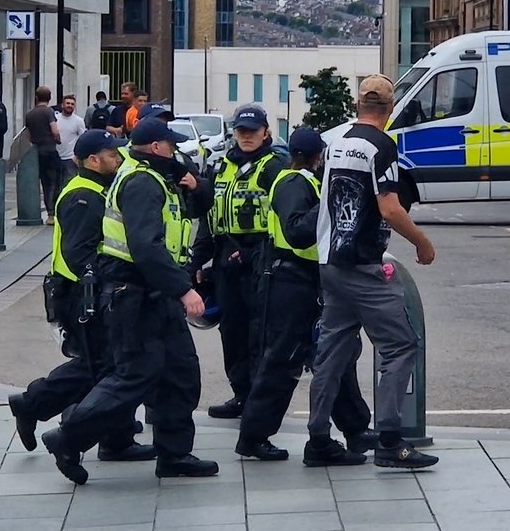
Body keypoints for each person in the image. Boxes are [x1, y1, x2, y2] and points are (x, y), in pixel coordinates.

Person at [41, 118, 218, 485]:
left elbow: (188, 216)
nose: (175, 151)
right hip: (135, 295)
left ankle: (174, 454)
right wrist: (183, 290)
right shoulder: (142, 182)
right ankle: (68, 437)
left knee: (179, 374)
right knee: (132, 377)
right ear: (156, 148)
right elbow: (145, 246)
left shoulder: (152, 177)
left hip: (154, 294)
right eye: (171, 145)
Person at [308, 75, 438, 469]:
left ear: (357, 104)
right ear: (391, 107)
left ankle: (318, 439)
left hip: (329, 260)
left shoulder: (336, 143)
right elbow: (390, 208)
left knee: (332, 350)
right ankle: (390, 441)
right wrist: (422, 242)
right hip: (363, 265)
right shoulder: (381, 146)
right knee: (400, 345)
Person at [9, 130, 154, 463]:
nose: (118, 160)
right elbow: (78, 254)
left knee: (106, 365)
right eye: (112, 155)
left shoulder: (98, 188)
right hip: (81, 294)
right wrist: (108, 280)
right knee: (105, 366)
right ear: (93, 160)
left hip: (87, 291)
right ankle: (36, 404)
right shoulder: (83, 196)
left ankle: (114, 436)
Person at [235, 128, 376, 463]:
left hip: (307, 280)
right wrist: (330, 202)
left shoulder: (303, 181)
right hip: (289, 282)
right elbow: (297, 231)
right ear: (316, 157)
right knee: (284, 360)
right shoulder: (292, 183)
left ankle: (355, 429)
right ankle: (254, 435)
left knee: (333, 356)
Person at [187, 104, 287, 419]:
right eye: (242, 132)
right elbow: (209, 219)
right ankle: (241, 394)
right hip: (224, 259)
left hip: (261, 259)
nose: (247, 137)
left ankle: (260, 402)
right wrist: (195, 265)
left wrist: (262, 254)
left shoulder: (274, 167)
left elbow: (287, 216)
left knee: (260, 333)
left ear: (265, 133)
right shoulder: (220, 168)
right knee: (232, 332)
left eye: (253, 132)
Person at [25, 86, 62, 225]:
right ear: (50, 97)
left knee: (45, 183)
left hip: (37, 151)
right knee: (55, 182)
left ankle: (50, 213)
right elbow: (54, 129)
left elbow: (28, 134)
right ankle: (54, 211)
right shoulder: (49, 112)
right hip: (50, 150)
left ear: (36, 97)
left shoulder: (30, 114)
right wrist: (57, 139)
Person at [55, 94, 87, 184]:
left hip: (70, 159)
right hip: (55, 157)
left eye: (72, 104)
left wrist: (77, 157)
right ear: (62, 105)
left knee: (69, 183)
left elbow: (82, 139)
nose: (70, 105)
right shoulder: (55, 119)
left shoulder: (79, 121)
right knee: (55, 186)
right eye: (67, 103)